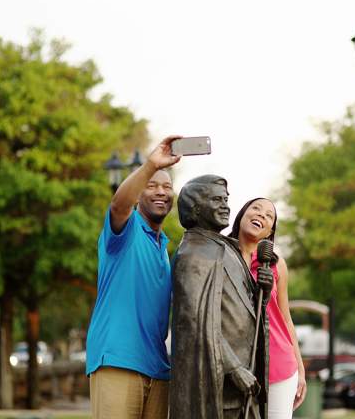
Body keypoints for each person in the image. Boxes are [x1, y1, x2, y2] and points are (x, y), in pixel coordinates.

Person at [85, 136, 181, 419]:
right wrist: (151, 165)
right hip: (118, 361)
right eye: (151, 186)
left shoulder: (164, 247)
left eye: (167, 186)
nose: (160, 191)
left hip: (158, 368)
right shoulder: (125, 232)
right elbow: (119, 204)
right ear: (139, 193)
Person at [170, 175, 272, 419]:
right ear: (195, 208)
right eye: (216, 200)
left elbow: (244, 309)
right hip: (220, 385)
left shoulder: (227, 249)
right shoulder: (193, 254)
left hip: (244, 386)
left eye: (226, 199)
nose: (226, 205)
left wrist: (263, 295)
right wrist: (234, 367)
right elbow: (195, 322)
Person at [229, 198, 307, 418]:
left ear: (270, 231)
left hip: (279, 365)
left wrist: (300, 369)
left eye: (268, 215)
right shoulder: (222, 255)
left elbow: (285, 318)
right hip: (235, 365)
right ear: (242, 214)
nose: (261, 215)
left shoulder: (276, 264)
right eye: (255, 208)